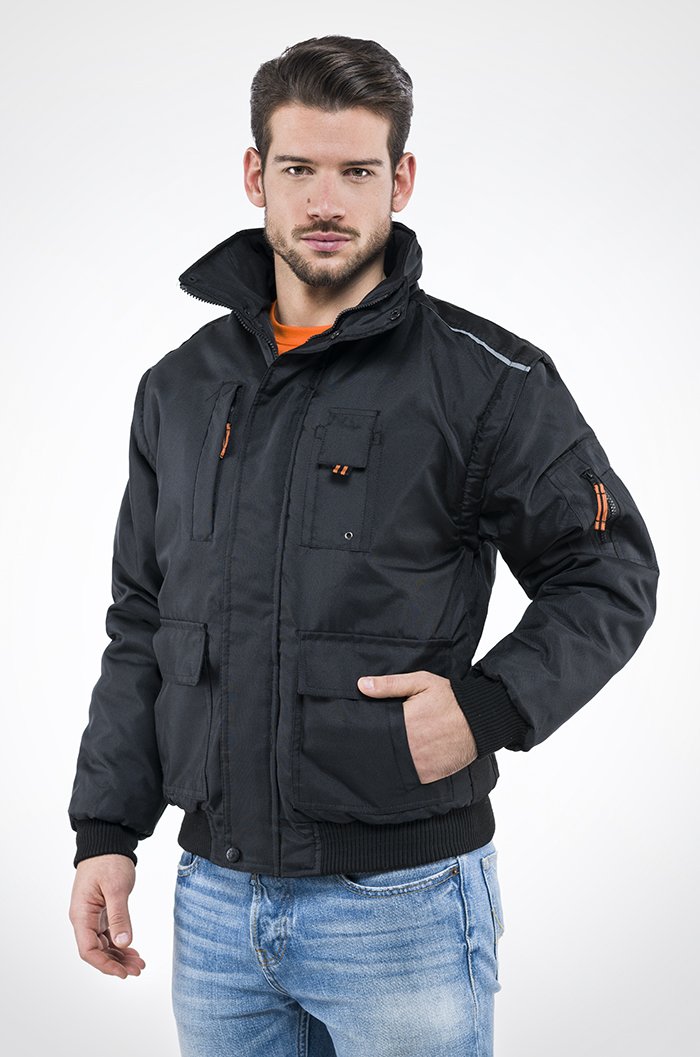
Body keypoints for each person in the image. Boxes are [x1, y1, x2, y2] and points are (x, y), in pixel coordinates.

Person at [68, 34, 659, 1057]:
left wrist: (488, 706)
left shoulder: (486, 381)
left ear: (402, 180)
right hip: (214, 902)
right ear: (255, 174)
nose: (326, 201)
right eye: (299, 168)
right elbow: (142, 617)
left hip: (401, 906)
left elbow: (609, 571)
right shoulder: (181, 386)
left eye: (357, 171)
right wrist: (106, 831)